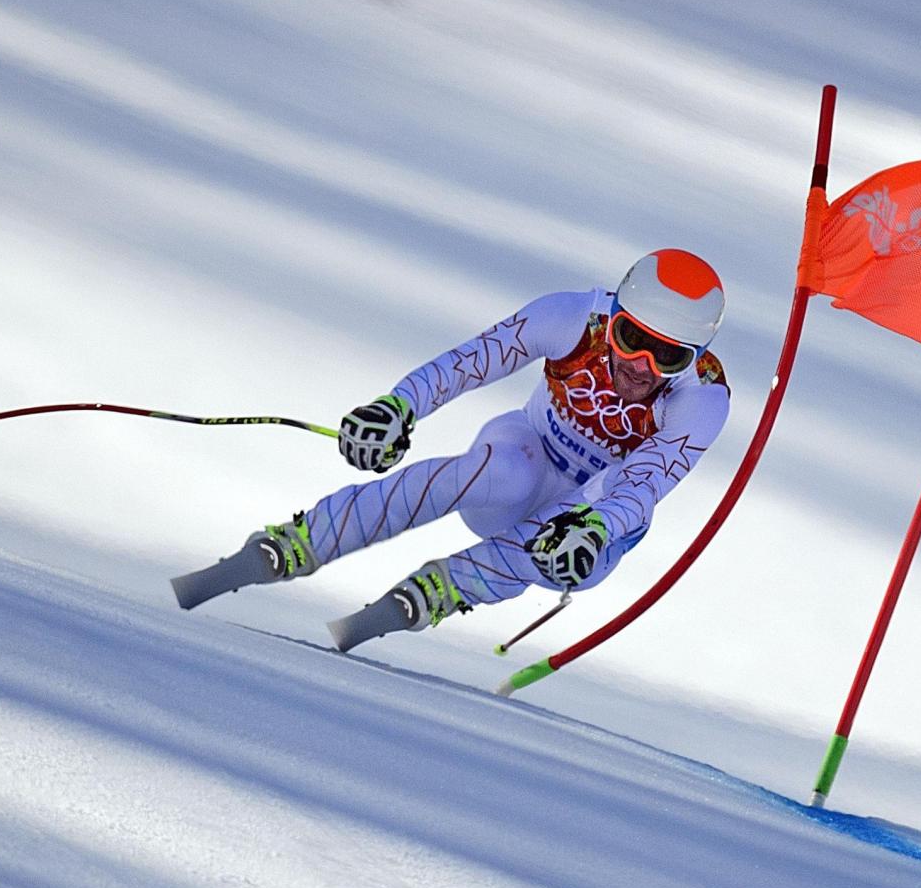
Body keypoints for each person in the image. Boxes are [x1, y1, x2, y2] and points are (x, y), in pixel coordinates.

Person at [171, 248, 731, 652]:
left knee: (566, 539)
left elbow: (645, 482)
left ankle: (437, 592)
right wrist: (397, 407)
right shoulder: (571, 318)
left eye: (669, 357)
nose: (642, 367)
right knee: (503, 470)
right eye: (632, 339)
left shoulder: (702, 398)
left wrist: (599, 526)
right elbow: (468, 363)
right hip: (527, 456)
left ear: (695, 356)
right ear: (613, 318)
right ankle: (301, 541)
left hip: (594, 517)